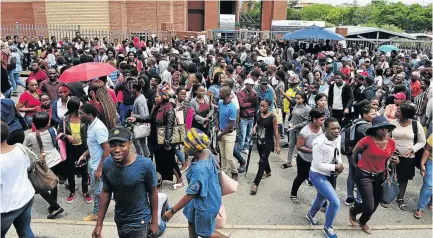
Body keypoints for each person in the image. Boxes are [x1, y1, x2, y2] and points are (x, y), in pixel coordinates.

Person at [92, 127, 159, 238]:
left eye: (122, 145)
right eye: (113, 145)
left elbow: (153, 193)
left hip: (140, 222)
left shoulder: (145, 165)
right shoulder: (107, 164)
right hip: (120, 220)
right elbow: (106, 192)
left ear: (130, 144)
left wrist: (154, 222)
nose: (117, 149)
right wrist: (99, 224)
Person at [162, 128, 228, 238]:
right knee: (191, 222)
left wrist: (172, 211)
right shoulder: (206, 151)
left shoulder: (200, 169)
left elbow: (190, 194)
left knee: (205, 233)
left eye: (186, 145)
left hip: (205, 204)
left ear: (194, 149)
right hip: (200, 200)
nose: (184, 147)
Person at [349, 116, 399, 234]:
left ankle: (363, 221)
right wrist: (357, 167)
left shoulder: (391, 143)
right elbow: (354, 154)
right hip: (364, 175)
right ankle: (353, 211)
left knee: (376, 203)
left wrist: (395, 160)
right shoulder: (366, 140)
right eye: (381, 128)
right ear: (375, 129)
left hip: (380, 175)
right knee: (369, 204)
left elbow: (391, 158)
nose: (385, 131)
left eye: (386, 128)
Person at [128, 84, 184, 188]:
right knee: (159, 161)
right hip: (155, 139)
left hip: (164, 141)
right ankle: (160, 179)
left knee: (170, 161)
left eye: (157, 96)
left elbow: (169, 126)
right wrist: (137, 119)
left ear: (163, 96)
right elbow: (150, 118)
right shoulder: (157, 107)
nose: (155, 98)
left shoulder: (169, 109)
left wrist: (167, 142)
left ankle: (180, 179)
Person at [306, 117, 343, 238]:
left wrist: (340, 164)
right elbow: (317, 164)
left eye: (338, 128)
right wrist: (335, 167)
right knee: (335, 202)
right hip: (317, 175)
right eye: (333, 128)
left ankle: (310, 215)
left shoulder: (338, 137)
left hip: (330, 174)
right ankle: (328, 227)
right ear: (325, 129)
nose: (336, 131)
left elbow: (338, 153)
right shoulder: (318, 143)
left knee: (321, 197)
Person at [23, 112, 64, 219]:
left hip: (43, 163)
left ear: (34, 123)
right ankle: (53, 206)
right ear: (47, 124)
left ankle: (56, 206)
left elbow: (25, 148)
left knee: (40, 186)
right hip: (55, 159)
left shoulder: (31, 136)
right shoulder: (53, 130)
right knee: (53, 181)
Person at [0, 122, 35, 238]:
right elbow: (28, 167)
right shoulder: (20, 148)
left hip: (6, 208)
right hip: (25, 197)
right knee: (25, 231)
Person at [78, 103, 110, 221]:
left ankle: (97, 214)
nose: (79, 116)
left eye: (81, 114)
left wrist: (99, 169)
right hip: (93, 163)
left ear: (90, 115)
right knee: (97, 190)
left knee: (98, 192)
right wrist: (84, 154)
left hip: (97, 166)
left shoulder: (99, 128)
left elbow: (106, 150)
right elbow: (94, 145)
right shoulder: (91, 125)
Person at [390, 103, 426, 211]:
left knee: (403, 178)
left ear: (406, 114)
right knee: (391, 176)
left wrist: (412, 149)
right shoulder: (392, 123)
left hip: (408, 157)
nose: (396, 112)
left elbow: (422, 142)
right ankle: (387, 196)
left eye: (399, 111)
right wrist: (391, 150)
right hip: (393, 155)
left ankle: (400, 198)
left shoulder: (416, 125)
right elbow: (387, 138)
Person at [58, 96, 91, 204]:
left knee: (84, 170)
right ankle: (72, 191)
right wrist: (67, 137)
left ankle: (85, 192)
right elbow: (59, 133)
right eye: (80, 106)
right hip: (70, 148)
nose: (82, 107)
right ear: (74, 108)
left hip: (83, 147)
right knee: (70, 170)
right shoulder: (65, 119)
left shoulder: (84, 118)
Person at [290, 109, 325, 204]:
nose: (323, 121)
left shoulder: (322, 128)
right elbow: (299, 147)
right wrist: (313, 150)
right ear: (314, 119)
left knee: (319, 178)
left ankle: (322, 202)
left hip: (316, 159)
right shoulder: (305, 131)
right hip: (304, 159)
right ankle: (293, 194)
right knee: (301, 177)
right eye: (321, 120)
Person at [345, 105, 377, 207]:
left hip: (351, 153)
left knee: (351, 175)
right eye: (372, 114)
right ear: (364, 115)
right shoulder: (366, 127)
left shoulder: (356, 121)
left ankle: (350, 197)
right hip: (360, 155)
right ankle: (359, 200)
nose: (375, 115)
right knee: (360, 177)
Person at [250, 99, 281, 195]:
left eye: (264, 106)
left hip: (268, 143)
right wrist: (254, 128)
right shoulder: (260, 113)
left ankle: (256, 184)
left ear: (269, 107)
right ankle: (268, 171)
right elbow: (257, 123)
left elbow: (276, 132)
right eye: (261, 106)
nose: (261, 108)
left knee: (262, 162)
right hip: (259, 142)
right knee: (263, 158)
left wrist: (277, 145)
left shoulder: (273, 117)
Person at [282, 91, 311, 169]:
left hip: (301, 131)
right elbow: (293, 116)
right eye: (296, 98)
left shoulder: (307, 109)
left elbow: (307, 121)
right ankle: (288, 162)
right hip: (293, 129)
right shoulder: (296, 106)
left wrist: (297, 126)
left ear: (303, 99)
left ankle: (301, 163)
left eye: (298, 98)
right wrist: (290, 123)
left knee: (300, 148)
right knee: (291, 145)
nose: (296, 100)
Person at [216, 85, 239, 180]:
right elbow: (217, 115)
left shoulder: (232, 107)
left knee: (229, 156)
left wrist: (220, 135)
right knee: (222, 155)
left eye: (220, 92)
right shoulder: (220, 103)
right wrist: (217, 127)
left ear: (225, 94)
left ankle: (234, 172)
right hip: (221, 132)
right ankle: (223, 171)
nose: (219, 94)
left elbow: (230, 125)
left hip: (229, 134)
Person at [414, 134, 433, 219]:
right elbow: (428, 150)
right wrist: (422, 165)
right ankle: (420, 208)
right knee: (429, 185)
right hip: (431, 162)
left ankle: (431, 202)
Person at [237, 78, 258, 153]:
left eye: (252, 85)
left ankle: (245, 147)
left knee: (249, 134)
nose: (252, 87)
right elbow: (242, 104)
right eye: (250, 85)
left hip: (251, 116)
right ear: (246, 85)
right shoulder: (240, 93)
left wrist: (252, 100)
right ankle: (240, 148)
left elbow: (255, 104)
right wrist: (250, 103)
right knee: (242, 133)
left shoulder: (253, 93)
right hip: (244, 116)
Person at [130, 82, 150, 157]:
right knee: (136, 140)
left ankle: (145, 157)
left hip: (140, 124)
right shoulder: (141, 97)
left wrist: (133, 115)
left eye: (132, 88)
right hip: (140, 124)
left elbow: (142, 115)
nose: (131, 90)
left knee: (142, 142)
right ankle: (141, 155)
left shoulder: (139, 100)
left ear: (135, 89)